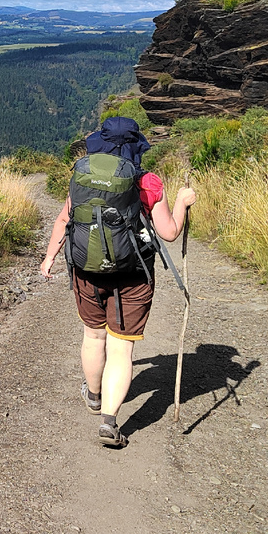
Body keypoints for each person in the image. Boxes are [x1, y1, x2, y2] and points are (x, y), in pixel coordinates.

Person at [39, 117, 196, 447]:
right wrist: (182, 202)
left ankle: (94, 396)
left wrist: (49, 257)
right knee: (121, 348)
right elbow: (169, 233)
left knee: (94, 337)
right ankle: (109, 423)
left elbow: (65, 219)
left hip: (87, 272)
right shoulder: (148, 182)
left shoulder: (82, 177)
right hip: (133, 276)